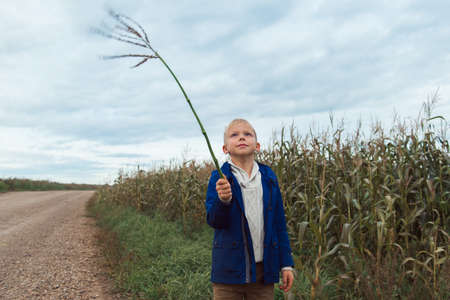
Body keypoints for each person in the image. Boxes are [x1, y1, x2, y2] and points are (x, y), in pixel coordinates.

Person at [205, 118, 294, 299]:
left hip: (263, 272)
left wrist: (286, 264)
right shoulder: (219, 178)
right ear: (225, 149)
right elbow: (214, 221)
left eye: (248, 134)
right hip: (228, 273)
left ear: (257, 145)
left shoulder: (268, 177)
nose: (241, 138)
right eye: (234, 135)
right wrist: (224, 201)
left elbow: (279, 223)